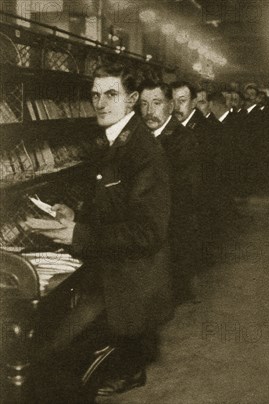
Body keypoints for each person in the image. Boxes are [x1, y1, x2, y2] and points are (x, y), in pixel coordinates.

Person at [26, 62, 172, 396]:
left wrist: (78, 234)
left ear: (132, 99)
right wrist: (74, 215)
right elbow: (115, 209)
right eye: (95, 95)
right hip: (110, 274)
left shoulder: (143, 152)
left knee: (55, 356)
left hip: (127, 286)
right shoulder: (119, 141)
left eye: (110, 94)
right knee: (50, 344)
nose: (100, 102)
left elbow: (148, 233)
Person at [139, 79, 201, 304]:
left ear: (169, 106)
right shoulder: (141, 137)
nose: (149, 111)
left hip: (173, 224)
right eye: (144, 104)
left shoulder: (183, 140)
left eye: (156, 103)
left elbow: (185, 191)